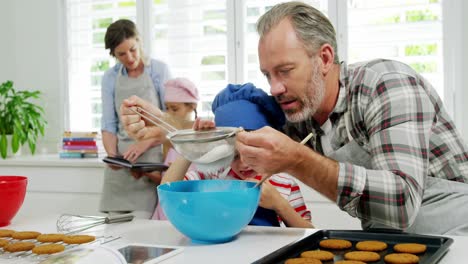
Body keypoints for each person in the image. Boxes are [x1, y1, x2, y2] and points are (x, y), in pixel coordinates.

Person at [233, 2, 468, 235]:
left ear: (324, 59)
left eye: (285, 71)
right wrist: (214, 134)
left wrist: (297, 159)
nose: (275, 88)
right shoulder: (300, 111)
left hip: (457, 234)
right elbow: (243, 126)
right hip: (387, 239)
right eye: (268, 75)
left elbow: (402, 202)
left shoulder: (387, 84)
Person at [156, 83, 312, 228]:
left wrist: (280, 205)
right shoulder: (212, 176)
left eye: (252, 153)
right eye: (234, 156)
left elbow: (310, 232)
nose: (244, 163)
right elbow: (168, 190)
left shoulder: (283, 183)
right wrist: (193, 148)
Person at [99, 19, 171, 218]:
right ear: (113, 54)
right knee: (112, 234)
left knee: (143, 230)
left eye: (132, 49)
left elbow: (170, 122)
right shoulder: (110, 78)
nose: (129, 57)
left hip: (150, 163)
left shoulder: (159, 71)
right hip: (121, 166)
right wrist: (113, 156)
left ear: (139, 42)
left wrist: (144, 143)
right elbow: (108, 124)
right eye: (121, 54)